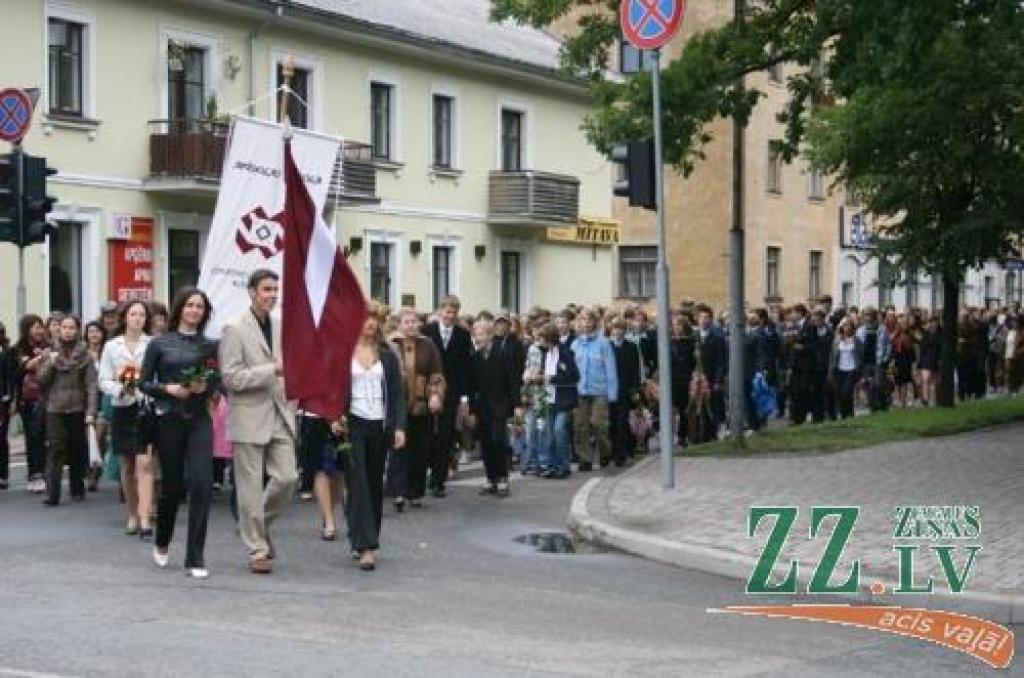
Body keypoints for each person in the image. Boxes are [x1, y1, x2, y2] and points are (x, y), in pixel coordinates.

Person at [219, 270, 298, 575]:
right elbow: (231, 378)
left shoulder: (280, 325)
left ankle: (257, 528)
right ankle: (257, 549)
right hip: (249, 414)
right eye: (266, 289)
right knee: (250, 488)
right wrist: (271, 371)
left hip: (280, 412)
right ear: (252, 292)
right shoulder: (234, 328)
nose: (272, 295)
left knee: (288, 478)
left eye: (275, 289)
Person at [141, 288, 218, 579]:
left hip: (199, 419)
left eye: (200, 306)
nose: (195, 310)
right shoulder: (159, 343)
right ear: (180, 309)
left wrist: (207, 387)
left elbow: (218, 380)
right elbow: (143, 382)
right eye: (190, 305)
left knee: (202, 484)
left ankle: (195, 557)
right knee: (173, 488)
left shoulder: (211, 346)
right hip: (169, 419)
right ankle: (162, 539)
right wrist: (168, 388)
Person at [338, 308, 406, 571]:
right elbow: (333, 388)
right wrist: (334, 417)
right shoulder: (344, 352)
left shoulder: (387, 355)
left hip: (379, 424)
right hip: (352, 424)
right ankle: (365, 546)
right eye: (365, 317)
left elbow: (397, 393)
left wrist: (399, 426)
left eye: (375, 319)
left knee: (374, 483)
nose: (370, 323)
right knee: (358, 483)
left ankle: (365, 536)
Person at [98, 300, 154, 537]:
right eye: (133, 314)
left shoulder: (152, 344)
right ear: (125, 317)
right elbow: (104, 380)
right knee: (128, 465)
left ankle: (145, 514)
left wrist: (147, 388)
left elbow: (158, 376)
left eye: (142, 314)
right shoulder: (112, 346)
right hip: (122, 407)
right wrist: (119, 389)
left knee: (145, 462)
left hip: (145, 407)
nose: (138, 318)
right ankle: (132, 513)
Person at [387, 307, 445, 512]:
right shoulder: (391, 345)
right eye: (406, 322)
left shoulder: (428, 345)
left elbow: (436, 373)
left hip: (421, 405)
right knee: (398, 449)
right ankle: (398, 492)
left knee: (419, 450)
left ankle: (415, 492)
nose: (411, 325)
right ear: (399, 324)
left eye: (414, 321)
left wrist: (435, 395)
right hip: (397, 404)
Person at [38, 315, 98, 506]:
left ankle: (77, 488)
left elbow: (91, 385)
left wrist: (91, 411)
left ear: (77, 330)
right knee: (55, 449)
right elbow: (41, 380)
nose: (67, 331)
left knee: (77, 449)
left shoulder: (85, 355)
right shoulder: (50, 352)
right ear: (59, 329)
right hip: (54, 408)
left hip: (77, 407)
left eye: (72, 327)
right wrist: (51, 362)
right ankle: (52, 493)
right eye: (64, 327)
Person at [422, 295, 472, 498]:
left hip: (452, 393)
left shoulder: (463, 335)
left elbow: (465, 368)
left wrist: (464, 398)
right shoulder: (428, 331)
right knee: (427, 435)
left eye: (454, 312)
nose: (450, 316)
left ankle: (438, 480)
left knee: (445, 437)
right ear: (440, 311)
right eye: (447, 311)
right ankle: (426, 472)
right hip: (428, 391)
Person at [467, 319, 518, 496]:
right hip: (482, 407)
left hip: (500, 405)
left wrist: (516, 405)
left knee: (498, 441)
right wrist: (471, 410)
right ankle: (491, 478)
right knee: (486, 443)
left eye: (480, 334)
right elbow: (472, 386)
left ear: (489, 335)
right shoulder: (475, 357)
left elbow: (512, 381)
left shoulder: (503, 354)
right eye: (475, 335)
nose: (477, 338)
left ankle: (503, 478)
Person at [571, 308, 619, 470]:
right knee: (580, 426)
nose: (586, 323)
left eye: (589, 320)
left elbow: (611, 369)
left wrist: (612, 393)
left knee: (599, 424)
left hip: (600, 390)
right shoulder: (575, 344)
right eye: (583, 320)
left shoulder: (603, 343)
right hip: (580, 391)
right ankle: (585, 458)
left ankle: (605, 452)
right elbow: (571, 370)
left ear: (594, 322)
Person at [13, 315, 49, 492]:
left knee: (44, 436)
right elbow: (26, 367)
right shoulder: (18, 349)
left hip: (47, 397)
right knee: (32, 436)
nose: (39, 330)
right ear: (26, 329)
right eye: (35, 327)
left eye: (41, 326)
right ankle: (34, 473)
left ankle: (43, 471)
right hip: (27, 399)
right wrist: (42, 358)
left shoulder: (48, 345)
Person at [608, 317, 642, 465]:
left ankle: (621, 453)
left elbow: (635, 369)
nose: (617, 331)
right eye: (615, 328)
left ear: (625, 330)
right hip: (609, 391)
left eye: (620, 328)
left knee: (622, 421)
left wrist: (635, 389)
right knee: (611, 422)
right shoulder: (607, 346)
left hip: (625, 390)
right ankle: (613, 450)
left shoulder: (631, 347)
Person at [695, 305, 727, 439]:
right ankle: (700, 434)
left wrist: (718, 380)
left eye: (706, 317)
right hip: (696, 378)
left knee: (713, 405)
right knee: (698, 406)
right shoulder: (694, 337)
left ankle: (714, 431)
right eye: (701, 317)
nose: (703, 320)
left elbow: (721, 361)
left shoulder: (718, 337)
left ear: (711, 319)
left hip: (712, 377)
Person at [84, 320, 108, 492]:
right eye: (91, 331)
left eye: (97, 331)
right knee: (93, 437)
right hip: (88, 399)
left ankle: (97, 471)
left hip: (107, 397)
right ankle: (93, 472)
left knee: (101, 437)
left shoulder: (108, 350)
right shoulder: (82, 353)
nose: (94, 335)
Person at [829, 319, 863, 419]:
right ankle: (845, 414)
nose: (847, 328)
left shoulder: (856, 340)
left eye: (849, 326)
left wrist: (861, 370)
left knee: (847, 391)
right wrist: (830, 372)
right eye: (845, 326)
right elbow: (832, 357)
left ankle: (849, 412)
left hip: (852, 369)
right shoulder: (837, 340)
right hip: (839, 369)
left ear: (852, 328)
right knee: (840, 393)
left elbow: (861, 354)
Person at [0, 322, 14, 489]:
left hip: (2, 402)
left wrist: (12, 400)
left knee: (1, 438)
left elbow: (10, 378)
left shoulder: (6, 353)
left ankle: (2, 474)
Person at [917, 315, 941, 407]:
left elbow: (941, 347)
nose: (933, 324)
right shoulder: (926, 334)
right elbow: (922, 347)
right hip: (926, 360)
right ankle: (926, 399)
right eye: (932, 322)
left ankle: (935, 400)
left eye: (935, 321)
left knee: (935, 381)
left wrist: (940, 359)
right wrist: (920, 361)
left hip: (936, 360)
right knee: (925, 379)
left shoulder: (941, 333)